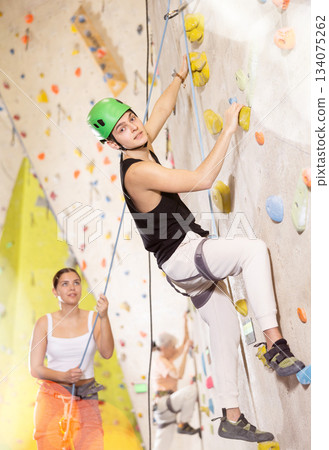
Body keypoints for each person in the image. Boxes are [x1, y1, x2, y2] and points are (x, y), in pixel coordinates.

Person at [87, 55, 305, 443]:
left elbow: (161, 111)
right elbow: (203, 179)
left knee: (224, 328)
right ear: (111, 143)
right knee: (251, 251)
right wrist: (229, 125)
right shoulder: (137, 171)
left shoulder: (139, 143)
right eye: (122, 129)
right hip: (184, 255)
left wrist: (177, 77)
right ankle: (275, 344)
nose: (134, 128)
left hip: (181, 265)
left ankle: (231, 416)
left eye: (132, 119)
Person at [29, 268, 114, 449]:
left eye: (76, 282)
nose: (72, 288)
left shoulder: (94, 318)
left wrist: (105, 317)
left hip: (87, 395)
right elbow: (35, 368)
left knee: (93, 443)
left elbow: (107, 353)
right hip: (52, 396)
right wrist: (63, 377)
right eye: (65, 284)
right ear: (55, 291)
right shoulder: (44, 323)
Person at [152, 313, 199, 450]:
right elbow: (178, 374)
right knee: (192, 390)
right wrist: (184, 352)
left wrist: (184, 321)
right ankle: (183, 424)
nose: (174, 349)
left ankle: (182, 424)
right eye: (172, 346)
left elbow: (185, 343)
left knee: (162, 445)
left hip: (166, 407)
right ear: (164, 348)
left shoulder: (168, 358)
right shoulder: (160, 361)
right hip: (164, 403)